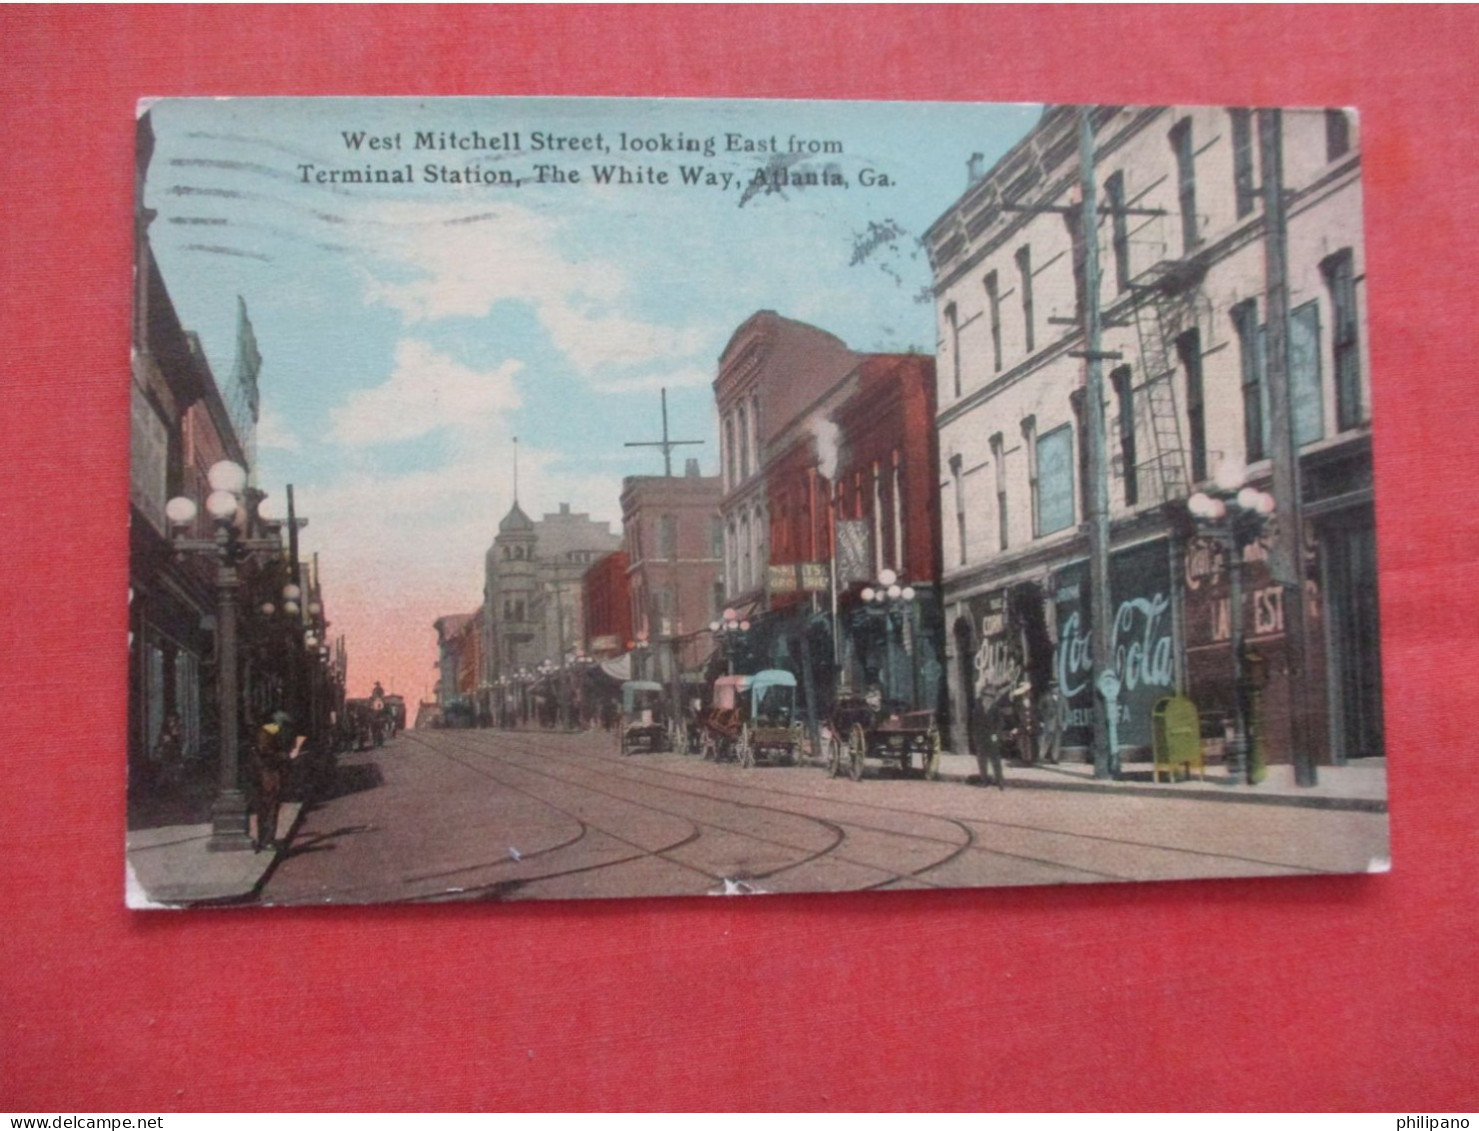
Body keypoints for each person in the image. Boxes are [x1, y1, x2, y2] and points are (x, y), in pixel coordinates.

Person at [253, 710, 306, 852]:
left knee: (270, 808)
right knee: (269, 809)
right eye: (283, 725)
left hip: (269, 776)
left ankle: (266, 839)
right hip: (267, 777)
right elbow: (268, 754)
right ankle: (266, 841)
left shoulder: (269, 732)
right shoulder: (266, 734)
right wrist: (288, 756)